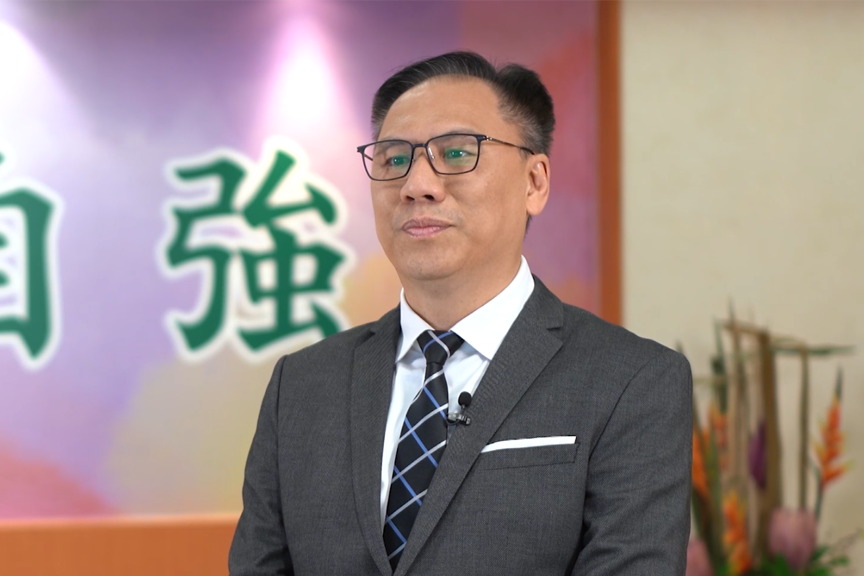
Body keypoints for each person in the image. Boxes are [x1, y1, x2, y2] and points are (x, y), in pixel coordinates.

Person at [228, 51, 692, 576]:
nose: (417, 185)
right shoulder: (302, 386)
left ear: (534, 182)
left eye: (455, 153)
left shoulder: (632, 382)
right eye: (394, 160)